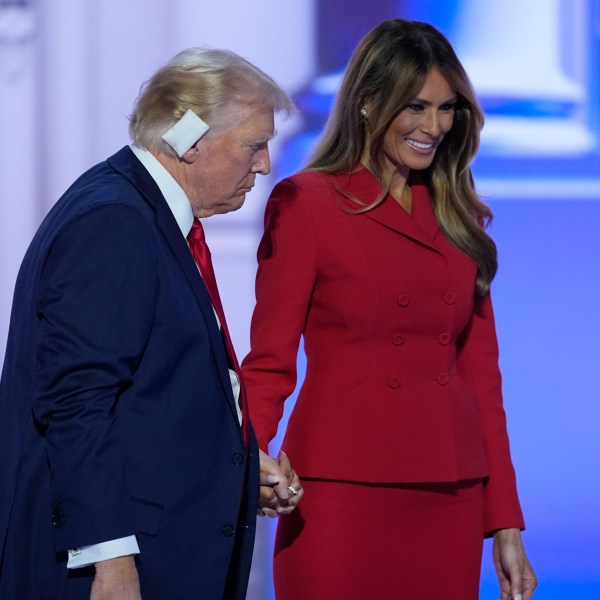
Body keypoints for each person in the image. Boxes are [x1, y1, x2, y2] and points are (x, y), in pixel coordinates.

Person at [242, 19, 536, 600]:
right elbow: (271, 362)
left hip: (448, 493)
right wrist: (245, 460)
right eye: (417, 107)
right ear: (370, 104)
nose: (435, 127)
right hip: (340, 489)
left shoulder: (458, 216)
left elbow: (481, 379)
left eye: (447, 108)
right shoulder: (307, 204)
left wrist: (504, 519)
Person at [0, 47, 303, 600]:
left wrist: (231, 467)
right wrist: (110, 560)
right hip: (118, 571)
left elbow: (152, 394)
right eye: (255, 145)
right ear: (190, 142)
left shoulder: (145, 215)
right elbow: (76, 403)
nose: (264, 165)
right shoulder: (115, 221)